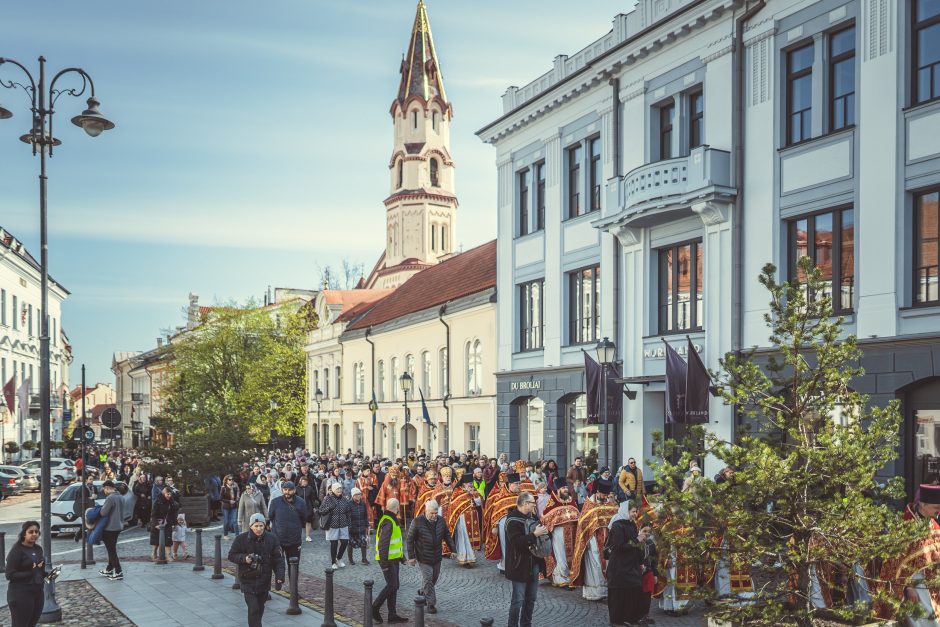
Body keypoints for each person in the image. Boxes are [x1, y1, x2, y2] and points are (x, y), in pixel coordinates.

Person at [228, 513, 285, 627]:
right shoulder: (241, 539)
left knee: (260, 608)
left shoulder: (272, 539)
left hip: (264, 579)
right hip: (247, 579)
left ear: (264, 526)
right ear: (250, 526)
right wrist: (244, 558)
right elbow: (231, 555)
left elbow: (278, 560)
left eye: (261, 526)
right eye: (256, 526)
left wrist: (280, 576)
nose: (259, 529)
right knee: (253, 609)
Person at [504, 492, 549, 627]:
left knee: (531, 599)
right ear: (524, 504)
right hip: (519, 565)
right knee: (518, 600)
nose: (534, 505)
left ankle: (526, 624)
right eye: (532, 503)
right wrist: (534, 534)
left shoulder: (532, 516)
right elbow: (516, 543)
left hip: (533, 563)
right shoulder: (512, 521)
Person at [570, 478, 618, 601]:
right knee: (595, 564)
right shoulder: (589, 504)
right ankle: (595, 593)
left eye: (607, 495)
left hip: (608, 538)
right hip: (592, 540)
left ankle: (607, 590)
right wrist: (589, 538)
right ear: (597, 492)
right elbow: (583, 522)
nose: (605, 497)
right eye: (603, 494)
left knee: (608, 564)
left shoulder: (610, 503)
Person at [406, 499, 455, 615]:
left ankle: (422, 592)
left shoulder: (441, 521)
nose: (434, 515)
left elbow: (447, 536)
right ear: (426, 511)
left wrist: (453, 549)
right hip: (423, 557)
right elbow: (410, 540)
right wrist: (412, 557)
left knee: (434, 578)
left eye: (436, 513)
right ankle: (430, 604)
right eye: (432, 513)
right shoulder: (417, 521)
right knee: (428, 579)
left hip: (437, 556)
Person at [606, 501, 649, 626]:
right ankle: (617, 620)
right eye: (633, 512)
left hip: (631, 564)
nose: (635, 514)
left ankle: (630, 618)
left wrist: (641, 562)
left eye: (636, 511)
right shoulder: (617, 525)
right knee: (619, 593)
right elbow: (619, 546)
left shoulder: (631, 524)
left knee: (633, 590)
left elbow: (636, 546)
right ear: (626, 511)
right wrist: (637, 539)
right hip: (619, 565)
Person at [372, 498, 408, 624]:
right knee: (392, 585)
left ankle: (392, 615)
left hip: (393, 559)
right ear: (397, 508)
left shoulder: (391, 519)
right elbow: (383, 544)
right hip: (387, 560)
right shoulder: (388, 521)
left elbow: (395, 542)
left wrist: (402, 558)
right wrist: (384, 564)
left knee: (394, 586)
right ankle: (375, 607)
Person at [541, 476, 580, 587]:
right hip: (558, 532)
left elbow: (577, 514)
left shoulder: (571, 501)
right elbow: (545, 517)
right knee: (560, 555)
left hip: (572, 531)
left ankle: (571, 576)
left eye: (566, 487)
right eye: (563, 488)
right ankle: (559, 577)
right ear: (558, 490)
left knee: (571, 555)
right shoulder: (552, 503)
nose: (565, 490)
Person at [267, 480, 308, 585]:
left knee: (294, 566)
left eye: (290, 490)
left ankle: (294, 590)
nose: (287, 492)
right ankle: (278, 580)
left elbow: (304, 518)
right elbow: (270, 516)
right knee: (276, 563)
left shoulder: (301, 502)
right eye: (285, 490)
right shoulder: (275, 502)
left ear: (294, 490)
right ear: (282, 490)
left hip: (294, 540)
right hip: (278, 539)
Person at [5, 520, 45, 627]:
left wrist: (47, 574)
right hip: (21, 594)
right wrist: (30, 572)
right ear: (24, 534)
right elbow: (9, 575)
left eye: (36, 532)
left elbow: (39, 569)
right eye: (31, 532)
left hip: (37, 592)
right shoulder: (17, 550)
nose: (34, 534)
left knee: (32, 624)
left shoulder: (38, 549)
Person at [445, 474, 483, 565]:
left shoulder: (474, 490)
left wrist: (474, 495)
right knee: (463, 538)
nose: (470, 485)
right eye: (468, 483)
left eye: (471, 483)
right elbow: (454, 504)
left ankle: (471, 557)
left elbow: (479, 503)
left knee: (470, 539)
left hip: (473, 517)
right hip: (462, 518)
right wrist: (467, 494)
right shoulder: (457, 491)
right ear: (463, 483)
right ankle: (463, 558)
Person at [319, 482, 351, 570]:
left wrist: (349, 522)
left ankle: (339, 558)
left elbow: (348, 511)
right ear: (333, 490)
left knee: (345, 542)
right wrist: (329, 508)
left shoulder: (344, 499)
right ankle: (333, 562)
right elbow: (321, 510)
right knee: (334, 544)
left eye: (340, 488)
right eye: (337, 489)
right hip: (332, 524)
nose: (340, 490)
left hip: (343, 524)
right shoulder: (328, 499)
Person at [99, 480, 126, 579]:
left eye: (104, 489)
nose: (104, 492)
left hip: (109, 528)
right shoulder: (121, 497)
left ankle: (118, 572)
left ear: (107, 488)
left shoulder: (110, 498)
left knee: (111, 551)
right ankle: (109, 569)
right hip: (118, 526)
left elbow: (103, 513)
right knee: (112, 548)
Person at [151, 485, 180, 562]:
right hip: (158, 523)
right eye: (168, 494)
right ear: (164, 493)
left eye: (170, 494)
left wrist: (175, 523)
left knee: (168, 539)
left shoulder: (171, 502)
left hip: (168, 523)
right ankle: (154, 554)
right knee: (156, 540)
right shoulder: (158, 501)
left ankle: (168, 555)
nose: (169, 496)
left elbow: (173, 514)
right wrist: (155, 524)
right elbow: (153, 514)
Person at [348, 487, 370, 565]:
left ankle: (364, 559)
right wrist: (350, 527)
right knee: (351, 544)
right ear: (352, 496)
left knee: (364, 543)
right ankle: (350, 559)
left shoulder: (363, 504)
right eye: (356, 495)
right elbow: (348, 517)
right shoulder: (349, 504)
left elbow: (365, 515)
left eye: (359, 494)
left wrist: (367, 524)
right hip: (352, 528)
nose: (358, 496)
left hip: (362, 527)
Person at [296, 475, 318, 542]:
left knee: (308, 521)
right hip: (299, 507)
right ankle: (298, 536)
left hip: (308, 506)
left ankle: (308, 536)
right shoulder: (297, 488)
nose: (305, 483)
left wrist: (314, 507)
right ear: (300, 481)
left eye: (306, 481)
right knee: (298, 522)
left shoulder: (310, 488)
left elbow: (312, 499)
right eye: (303, 481)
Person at [221, 474, 240, 539]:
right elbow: (221, 498)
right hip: (226, 507)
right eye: (230, 479)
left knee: (234, 521)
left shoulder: (234, 487)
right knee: (226, 521)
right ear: (226, 480)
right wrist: (229, 501)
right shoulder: (223, 488)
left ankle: (237, 535)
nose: (231, 481)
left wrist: (236, 500)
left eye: (232, 479)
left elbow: (236, 496)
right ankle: (225, 535)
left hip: (234, 506)